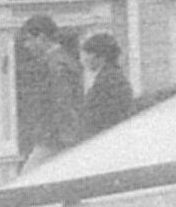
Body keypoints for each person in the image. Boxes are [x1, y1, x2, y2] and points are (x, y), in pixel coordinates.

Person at [14, 17, 84, 168]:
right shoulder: (59, 61)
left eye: (28, 39)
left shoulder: (57, 65)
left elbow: (63, 103)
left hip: (55, 140)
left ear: (41, 37)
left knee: (29, 177)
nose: (26, 45)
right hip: (55, 137)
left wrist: (67, 140)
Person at [77, 32, 137, 138]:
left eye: (88, 54)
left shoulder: (107, 80)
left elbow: (98, 115)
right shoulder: (113, 76)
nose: (84, 59)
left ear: (101, 56)